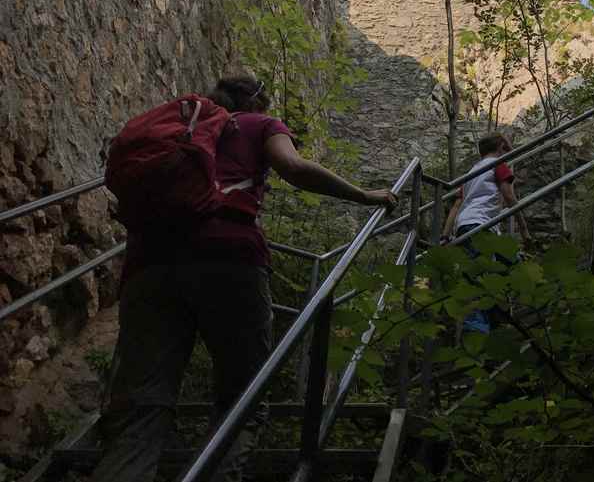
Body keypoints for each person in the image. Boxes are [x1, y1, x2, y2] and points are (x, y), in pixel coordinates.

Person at [91, 76, 397, 482]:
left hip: (149, 262)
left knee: (141, 405)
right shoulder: (258, 124)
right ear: (259, 101)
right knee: (243, 396)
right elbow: (294, 167)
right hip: (229, 257)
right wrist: (365, 195)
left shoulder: (183, 127)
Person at [442, 131, 531, 334]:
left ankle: (495, 319)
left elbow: (456, 206)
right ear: (500, 147)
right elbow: (509, 196)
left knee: (503, 265)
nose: (509, 151)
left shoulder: (470, 174)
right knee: (482, 280)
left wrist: (445, 237)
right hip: (481, 227)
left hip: (465, 227)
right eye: (507, 147)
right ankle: (478, 333)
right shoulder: (498, 165)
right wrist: (524, 231)